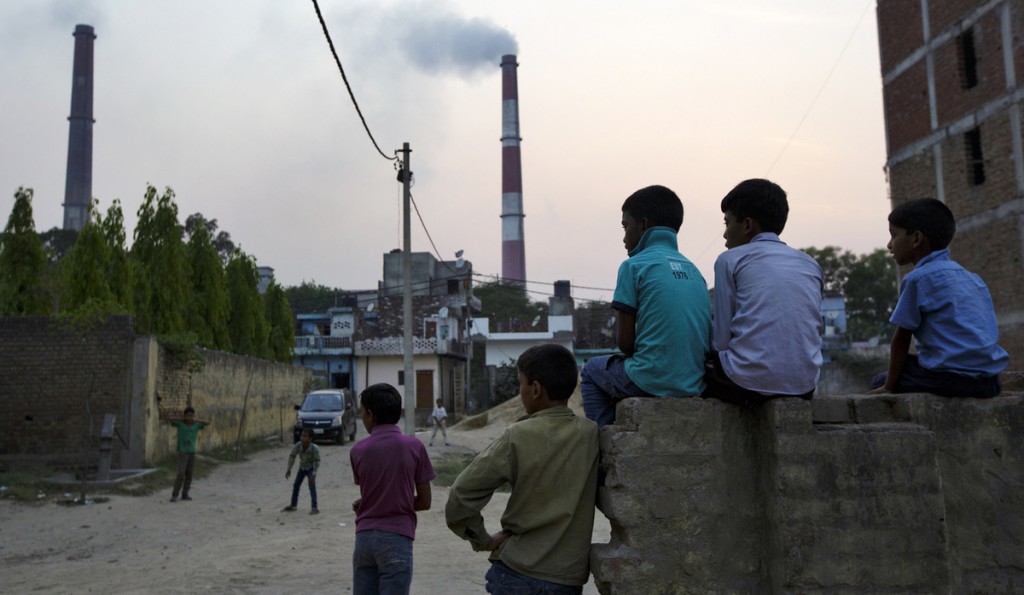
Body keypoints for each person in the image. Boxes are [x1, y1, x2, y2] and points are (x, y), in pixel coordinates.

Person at [446, 343, 600, 594]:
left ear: (536, 389)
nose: (521, 392)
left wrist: (482, 539)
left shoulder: (517, 435)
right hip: (567, 580)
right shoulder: (591, 434)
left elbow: (461, 495)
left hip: (516, 574)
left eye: (521, 384)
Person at [580, 184, 711, 427]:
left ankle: (601, 444)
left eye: (625, 226)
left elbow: (625, 343)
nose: (624, 237)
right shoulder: (695, 271)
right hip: (694, 383)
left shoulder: (634, 266)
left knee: (591, 370)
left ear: (644, 224)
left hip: (650, 380)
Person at [869, 197, 1008, 397]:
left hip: (950, 381)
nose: (889, 245)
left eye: (894, 235)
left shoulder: (917, 279)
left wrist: (889, 387)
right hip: (989, 383)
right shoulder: (973, 278)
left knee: (879, 379)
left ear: (916, 239)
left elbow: (901, 338)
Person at [704, 178, 824, 405]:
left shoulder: (730, 260)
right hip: (805, 386)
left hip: (745, 386)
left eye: (727, 223)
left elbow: (721, 341)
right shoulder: (810, 264)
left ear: (747, 225)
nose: (724, 234)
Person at [350, 383, 435, 594]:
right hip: (397, 538)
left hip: (365, 539)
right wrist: (399, 502)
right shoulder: (414, 447)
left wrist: (369, 503)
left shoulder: (357, 451)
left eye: (361, 412)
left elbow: (372, 491)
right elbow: (425, 502)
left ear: (370, 415)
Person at [168, 406, 210, 502]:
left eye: (191, 416)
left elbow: (208, 422)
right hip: (183, 452)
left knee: (189, 475)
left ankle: (185, 494)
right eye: (188, 416)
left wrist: (196, 419)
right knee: (181, 474)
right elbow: (170, 419)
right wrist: (182, 418)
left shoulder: (196, 426)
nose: (189, 417)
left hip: (192, 452)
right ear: (184, 416)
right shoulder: (180, 424)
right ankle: (175, 494)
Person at [282, 429, 320, 514]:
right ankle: (293, 505)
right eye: (302, 436)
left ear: (310, 439)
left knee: (312, 487)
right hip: (302, 468)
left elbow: (317, 461)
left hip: (310, 468)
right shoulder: (298, 446)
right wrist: (289, 468)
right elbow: (292, 456)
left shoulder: (314, 448)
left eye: (305, 436)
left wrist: (314, 473)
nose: (302, 438)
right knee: (296, 485)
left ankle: (314, 507)